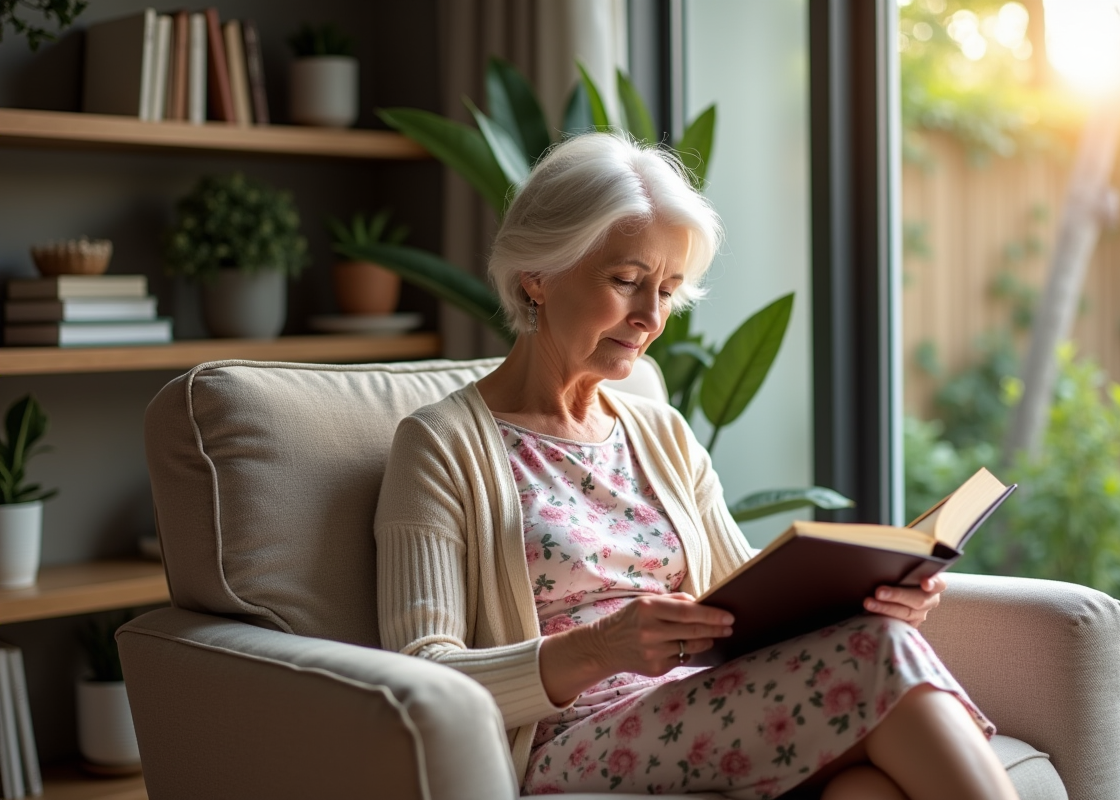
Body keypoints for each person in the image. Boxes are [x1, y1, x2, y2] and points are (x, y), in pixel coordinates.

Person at [374, 132, 1019, 800]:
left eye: (668, 290)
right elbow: (416, 682)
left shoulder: (663, 434)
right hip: (568, 737)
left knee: (866, 790)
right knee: (880, 657)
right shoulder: (440, 445)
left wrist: (873, 600)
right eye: (626, 282)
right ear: (536, 275)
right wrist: (599, 648)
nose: (650, 317)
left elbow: (746, 603)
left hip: (702, 707)